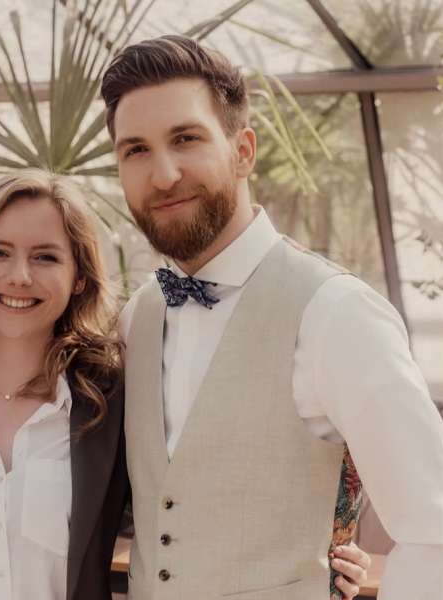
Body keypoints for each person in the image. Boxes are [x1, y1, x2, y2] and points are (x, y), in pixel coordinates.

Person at [0, 170, 369, 600]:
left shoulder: (112, 404)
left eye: (45, 257)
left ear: (79, 278)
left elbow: (199, 505)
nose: (20, 276)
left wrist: (322, 556)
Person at [101, 34, 443, 599]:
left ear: (243, 150)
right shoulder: (136, 316)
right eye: (135, 149)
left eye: (186, 138)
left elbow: (433, 530)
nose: (163, 174)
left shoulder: (336, 312)